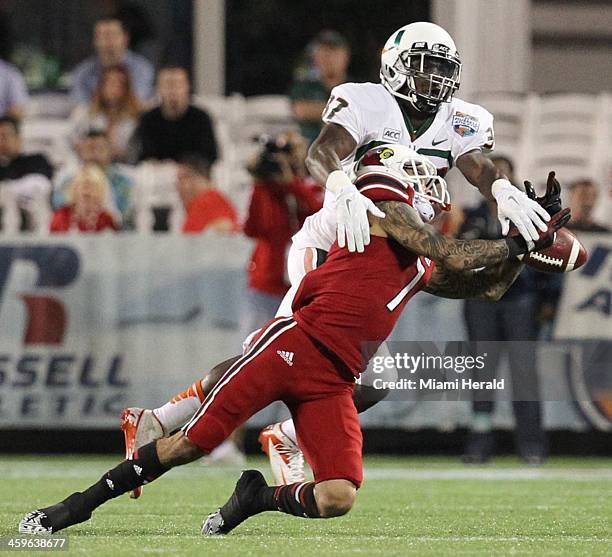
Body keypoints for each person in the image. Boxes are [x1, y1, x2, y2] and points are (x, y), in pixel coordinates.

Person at [19, 145, 570, 535]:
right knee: (193, 443)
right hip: (295, 343)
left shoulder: (416, 254)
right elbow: (452, 253)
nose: (436, 191)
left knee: (337, 498)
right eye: (427, 180)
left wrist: (525, 252)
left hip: (333, 378)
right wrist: (520, 236)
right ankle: (72, 509)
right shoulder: (382, 206)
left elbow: (486, 288)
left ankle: (256, 498)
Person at [121, 21, 558, 487]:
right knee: (271, 358)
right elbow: (321, 152)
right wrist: (340, 185)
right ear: (395, 66)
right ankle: (161, 419)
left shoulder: (461, 119)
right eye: (424, 66)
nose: (435, 79)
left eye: (442, 69)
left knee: (377, 379)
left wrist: (503, 190)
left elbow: (478, 165)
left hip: (389, 259)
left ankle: (285, 431)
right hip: (332, 248)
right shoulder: (367, 101)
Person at [460, 155, 551, 465]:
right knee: (482, 374)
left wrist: (547, 298)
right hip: (483, 301)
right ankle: (479, 444)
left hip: (520, 300)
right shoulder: (473, 216)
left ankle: (531, 445)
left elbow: (545, 259)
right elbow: (462, 256)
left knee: (524, 375)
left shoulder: (528, 215)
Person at [242, 132, 322, 336]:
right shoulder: (266, 189)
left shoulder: (312, 186)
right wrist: (261, 185)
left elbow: (316, 212)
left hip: (300, 283)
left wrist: (291, 185)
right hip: (267, 279)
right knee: (252, 347)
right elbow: (252, 229)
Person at [131, 66, 218, 165]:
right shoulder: (148, 120)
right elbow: (142, 157)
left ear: (188, 87)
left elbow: (210, 157)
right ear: (158, 88)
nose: (173, 91)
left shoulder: (202, 119)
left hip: (193, 175)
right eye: (167, 85)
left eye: (178, 85)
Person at [53, 131, 134, 226]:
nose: (94, 155)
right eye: (89, 149)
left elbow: (128, 216)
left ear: (110, 151)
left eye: (99, 149)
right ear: (80, 151)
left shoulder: (124, 183)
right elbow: (59, 209)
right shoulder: (68, 182)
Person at [70, 17, 154, 104]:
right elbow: (79, 104)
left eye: (113, 35)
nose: (108, 41)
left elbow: (138, 101)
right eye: (102, 36)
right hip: (94, 116)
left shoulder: (142, 68)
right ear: (95, 40)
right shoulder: (83, 71)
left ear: (125, 38)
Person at [70, 65, 141, 162]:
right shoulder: (84, 113)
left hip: (123, 166)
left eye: (120, 84)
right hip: (87, 165)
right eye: (110, 83)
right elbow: (69, 140)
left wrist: (114, 152)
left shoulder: (135, 119)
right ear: (101, 86)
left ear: (127, 89)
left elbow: (136, 152)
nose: (114, 89)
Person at [290, 30, 351, 144]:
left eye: (333, 52)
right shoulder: (305, 86)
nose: (327, 58)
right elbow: (300, 110)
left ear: (345, 56)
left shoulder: (355, 86)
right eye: (322, 53)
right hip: (309, 149)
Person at [0, 116, 52, 230]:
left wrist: (6, 190)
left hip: (32, 219)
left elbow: (41, 185)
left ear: (18, 138)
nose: (1, 141)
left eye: (5, 135)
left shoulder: (35, 160)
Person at [177, 154, 238, 233]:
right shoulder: (204, 201)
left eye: (181, 179)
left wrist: (208, 236)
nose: (178, 187)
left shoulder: (211, 201)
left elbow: (225, 226)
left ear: (192, 178)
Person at [50, 164, 119, 233]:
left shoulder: (106, 219)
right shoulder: (61, 216)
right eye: (84, 186)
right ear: (75, 190)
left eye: (92, 186)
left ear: (99, 192)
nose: (87, 191)